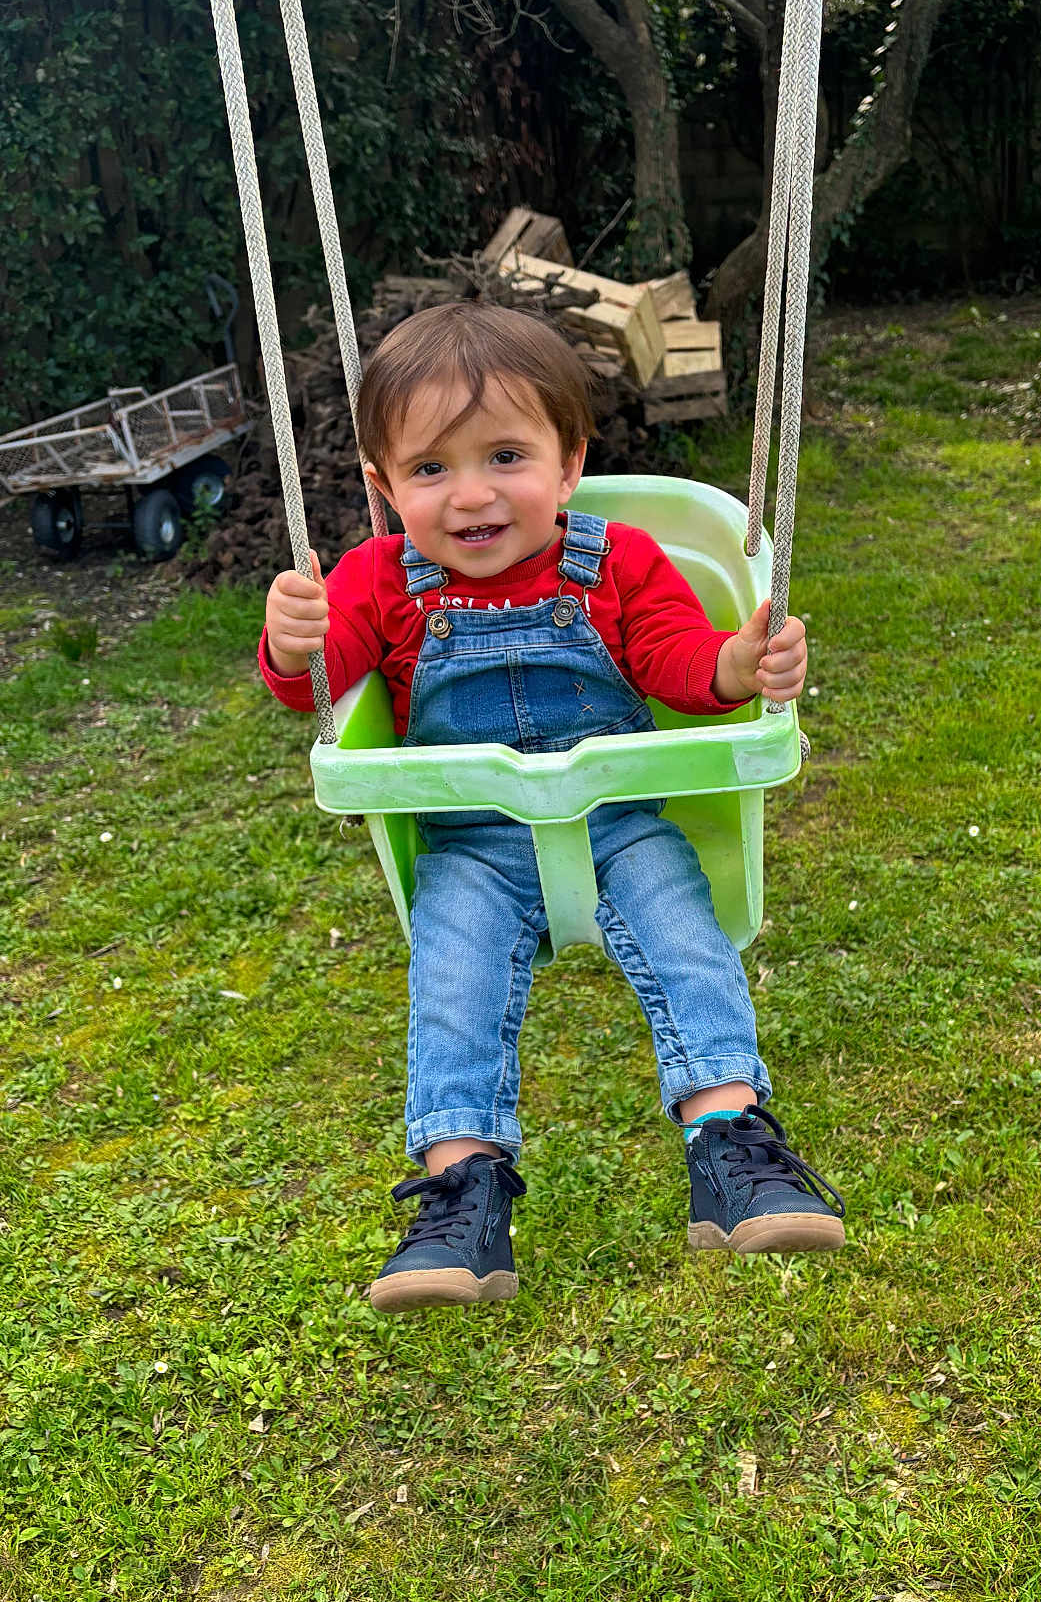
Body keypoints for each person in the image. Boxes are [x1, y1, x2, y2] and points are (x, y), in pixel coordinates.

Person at [260, 302, 844, 1313]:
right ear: (382, 485)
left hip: (617, 821)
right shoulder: (375, 583)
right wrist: (295, 643)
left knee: (684, 936)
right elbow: (317, 687)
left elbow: (677, 667)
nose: (472, 495)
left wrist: (739, 663)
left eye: (505, 457)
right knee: (453, 982)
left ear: (568, 464)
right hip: (470, 848)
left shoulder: (616, 563)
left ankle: (732, 1147)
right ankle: (460, 1196)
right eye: (431, 470)